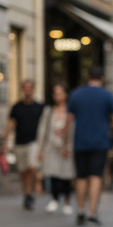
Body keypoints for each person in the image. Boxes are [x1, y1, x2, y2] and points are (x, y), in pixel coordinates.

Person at [66, 66, 113, 227]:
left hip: (80, 142)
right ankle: (92, 212)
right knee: (96, 176)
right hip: (100, 142)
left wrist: (65, 143)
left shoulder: (76, 94)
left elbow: (69, 120)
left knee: (81, 176)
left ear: (87, 77)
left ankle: (80, 210)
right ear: (102, 78)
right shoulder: (107, 95)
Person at [36, 84, 75, 214]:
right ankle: (54, 199)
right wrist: (40, 149)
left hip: (66, 147)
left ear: (65, 95)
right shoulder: (49, 111)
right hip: (51, 146)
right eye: (55, 93)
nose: (57, 96)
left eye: (59, 93)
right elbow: (42, 130)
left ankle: (68, 201)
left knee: (66, 174)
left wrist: (68, 146)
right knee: (53, 173)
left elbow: (73, 130)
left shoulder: (71, 111)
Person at [6, 79, 44, 210]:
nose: (27, 90)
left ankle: (31, 192)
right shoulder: (17, 107)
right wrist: (5, 141)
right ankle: (26, 194)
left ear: (33, 89)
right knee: (23, 171)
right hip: (19, 143)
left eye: (29, 88)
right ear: (22, 89)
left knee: (32, 168)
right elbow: (10, 124)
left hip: (34, 142)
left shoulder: (39, 107)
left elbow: (43, 126)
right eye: (25, 88)